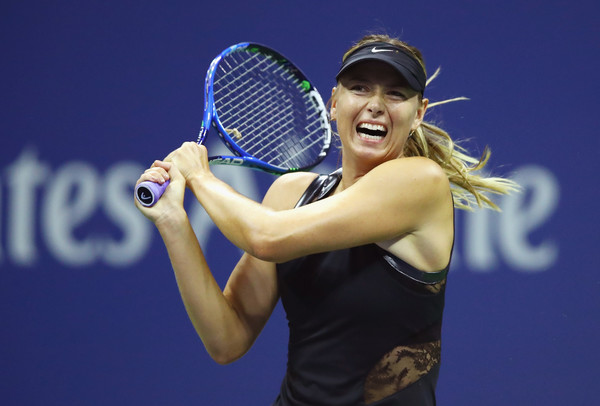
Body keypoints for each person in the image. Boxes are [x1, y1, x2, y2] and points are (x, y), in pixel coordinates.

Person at [135, 34, 519, 405]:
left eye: (396, 93)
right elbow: (226, 339)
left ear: (418, 114)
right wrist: (173, 221)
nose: (375, 104)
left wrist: (199, 176)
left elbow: (264, 237)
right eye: (360, 87)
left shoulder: (421, 182)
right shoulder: (291, 193)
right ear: (334, 103)